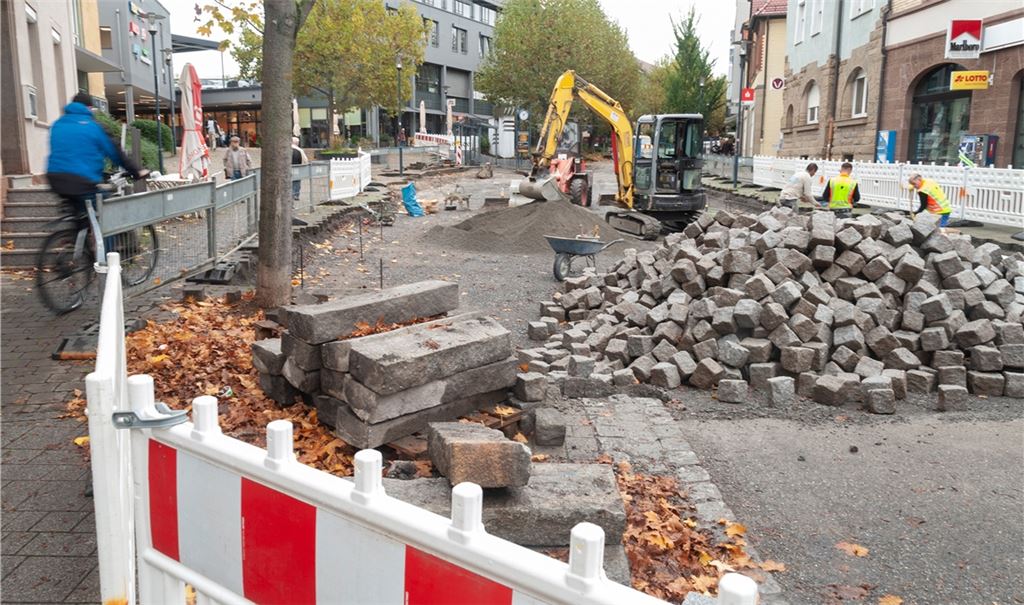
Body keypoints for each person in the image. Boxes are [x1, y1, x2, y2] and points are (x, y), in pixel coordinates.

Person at [47, 93, 147, 226]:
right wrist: (136, 171)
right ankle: (106, 246)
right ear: (89, 108)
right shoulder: (93, 126)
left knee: (81, 216)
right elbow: (115, 153)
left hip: (55, 179)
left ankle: (76, 240)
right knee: (108, 213)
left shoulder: (57, 124)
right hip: (81, 181)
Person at [291, 136, 308, 201]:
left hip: (288, 168)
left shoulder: (286, 149)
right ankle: (296, 195)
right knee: (296, 181)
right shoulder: (300, 150)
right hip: (297, 168)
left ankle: (290, 194)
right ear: (297, 143)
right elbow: (305, 160)